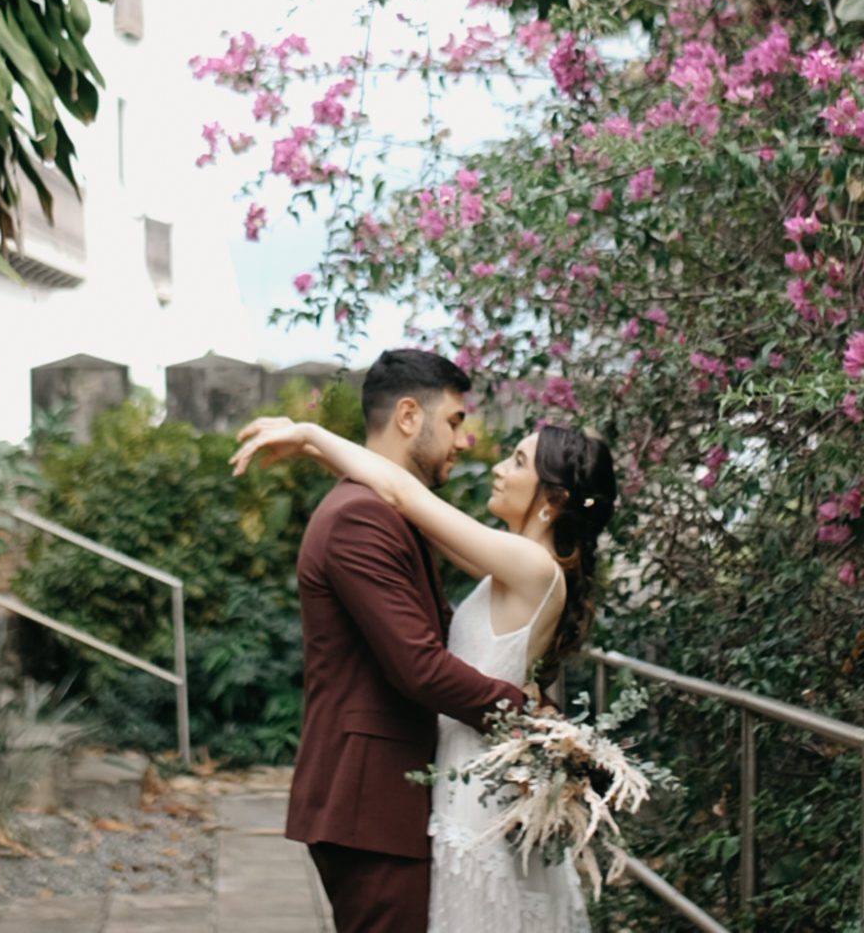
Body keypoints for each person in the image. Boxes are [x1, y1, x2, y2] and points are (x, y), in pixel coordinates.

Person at [237, 355, 618, 933]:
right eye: (457, 421)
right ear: (410, 416)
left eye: (516, 460)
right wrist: (529, 719)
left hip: (452, 783)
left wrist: (313, 435)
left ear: (553, 497)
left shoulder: (522, 563)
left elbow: (401, 494)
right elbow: (421, 661)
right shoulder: (369, 518)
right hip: (382, 796)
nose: (472, 447)